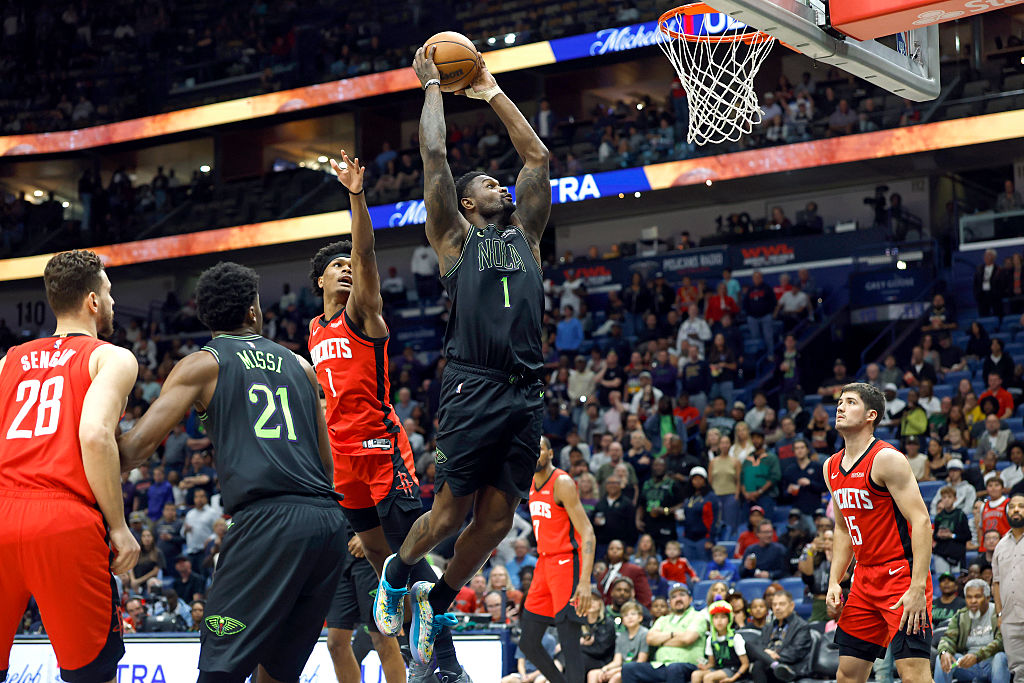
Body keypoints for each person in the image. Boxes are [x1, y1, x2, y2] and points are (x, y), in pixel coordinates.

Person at [379, 44, 553, 668]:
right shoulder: (453, 240)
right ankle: (399, 574)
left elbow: (536, 156)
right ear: (468, 203)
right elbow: (434, 157)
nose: (496, 182)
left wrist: (489, 92)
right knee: (449, 513)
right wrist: (432, 89)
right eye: (484, 183)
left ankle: (442, 597)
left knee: (500, 521)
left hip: (526, 391)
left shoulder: (528, 236)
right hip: (473, 385)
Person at [118, 262, 348, 682]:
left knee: (220, 669)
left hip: (267, 522)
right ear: (253, 312)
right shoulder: (301, 367)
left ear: (206, 317)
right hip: (326, 524)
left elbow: (133, 451)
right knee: (278, 673)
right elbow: (327, 464)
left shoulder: (204, 363)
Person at [307, 153, 465, 681]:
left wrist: (356, 195)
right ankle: (420, 638)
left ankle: (444, 661)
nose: (349, 269)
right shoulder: (313, 330)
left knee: (405, 553)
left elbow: (366, 253)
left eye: (351, 265)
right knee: (380, 558)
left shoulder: (361, 313)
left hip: (379, 446)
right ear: (319, 283)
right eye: (338, 267)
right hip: (340, 459)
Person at [0, 250, 140, 683]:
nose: (114, 303)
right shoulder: (109, 357)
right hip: (63, 517)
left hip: (2, 510)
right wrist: (118, 526)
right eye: (111, 294)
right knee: (90, 673)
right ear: (94, 302)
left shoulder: (9, 360)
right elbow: (95, 435)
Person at [825, 383, 934, 683]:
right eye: (839, 402)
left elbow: (922, 521)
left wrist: (917, 587)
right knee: (847, 675)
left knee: (914, 676)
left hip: (900, 575)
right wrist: (835, 579)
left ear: (871, 415)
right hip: (863, 579)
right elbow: (842, 528)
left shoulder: (887, 459)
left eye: (850, 402)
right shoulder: (830, 466)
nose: (840, 407)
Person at [521, 436, 596, 683]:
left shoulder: (562, 482)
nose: (535, 454)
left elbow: (587, 532)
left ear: (550, 453)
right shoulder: (528, 482)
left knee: (569, 641)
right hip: (543, 564)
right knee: (528, 642)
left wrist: (585, 582)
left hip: (567, 563)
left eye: (539, 450)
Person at [621, 585, 704, 683]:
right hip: (660, 665)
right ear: (670, 602)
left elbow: (687, 639)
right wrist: (673, 635)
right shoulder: (662, 620)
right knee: (629, 668)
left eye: (682, 595)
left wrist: (661, 641)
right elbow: (650, 639)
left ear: (690, 599)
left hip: (686, 666)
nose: (678, 599)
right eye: (674, 596)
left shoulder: (698, 616)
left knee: (674, 669)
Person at [933, 578, 1009, 683]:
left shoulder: (998, 614)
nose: (973, 601)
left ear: (987, 598)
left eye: (978, 596)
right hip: (968, 666)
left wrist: (977, 656)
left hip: (992, 665)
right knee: (942, 658)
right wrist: (945, 652)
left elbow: (1001, 642)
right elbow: (948, 638)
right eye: (969, 597)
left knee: (1001, 657)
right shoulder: (961, 616)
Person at [992, 493, 1024, 680]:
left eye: (1021, 506)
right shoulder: (1000, 546)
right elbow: (996, 582)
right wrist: (999, 614)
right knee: (1018, 672)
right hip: (1010, 619)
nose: (1016, 510)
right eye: (1012, 506)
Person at [589, 601, 650, 683]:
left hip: (636, 669)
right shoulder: (621, 636)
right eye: (626, 615)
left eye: (633, 614)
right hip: (621, 667)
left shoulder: (645, 633)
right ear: (623, 621)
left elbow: (640, 662)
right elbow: (617, 661)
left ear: (640, 617)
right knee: (592, 674)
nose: (630, 617)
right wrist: (604, 669)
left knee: (616, 677)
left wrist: (615, 671)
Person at [693, 600, 749, 683]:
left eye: (723, 617)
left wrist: (733, 679)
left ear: (729, 619)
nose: (719, 621)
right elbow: (712, 663)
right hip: (718, 668)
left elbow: (745, 664)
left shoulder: (736, 637)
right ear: (712, 620)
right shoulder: (710, 639)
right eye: (716, 617)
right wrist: (705, 667)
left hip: (733, 669)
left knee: (708, 678)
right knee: (695, 674)